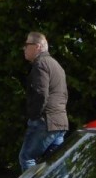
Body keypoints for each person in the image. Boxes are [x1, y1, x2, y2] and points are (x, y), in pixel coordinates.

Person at [19, 31, 68, 170]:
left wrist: (34, 116)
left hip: (46, 121)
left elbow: (40, 94)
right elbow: (64, 94)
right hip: (60, 121)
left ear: (37, 46)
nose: (24, 48)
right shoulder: (55, 64)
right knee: (56, 165)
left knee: (26, 157)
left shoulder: (40, 64)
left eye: (27, 44)